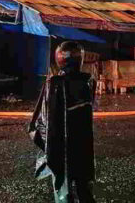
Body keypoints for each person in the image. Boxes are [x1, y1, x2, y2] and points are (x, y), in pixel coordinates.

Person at [29, 41, 96, 202]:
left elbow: (42, 122)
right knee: (83, 188)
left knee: (64, 191)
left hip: (60, 150)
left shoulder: (55, 84)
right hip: (83, 148)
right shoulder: (88, 81)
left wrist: (47, 149)